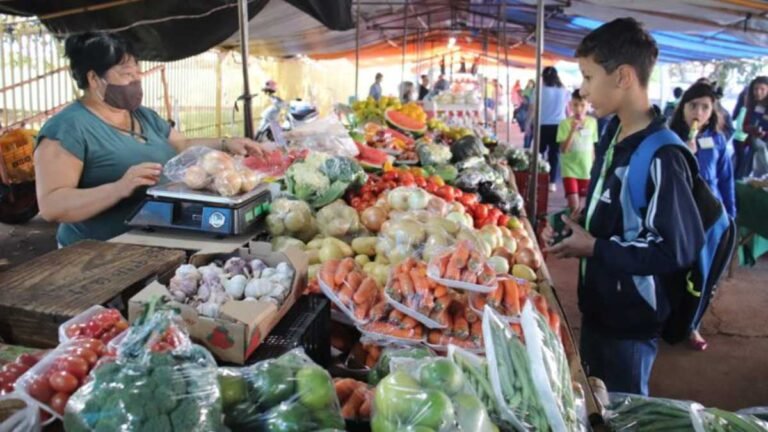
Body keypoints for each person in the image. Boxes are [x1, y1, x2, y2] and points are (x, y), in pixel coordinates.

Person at [545, 17, 705, 396]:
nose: (582, 91)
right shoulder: (615, 132)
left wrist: (595, 247)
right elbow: (611, 206)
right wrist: (575, 224)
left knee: (622, 406)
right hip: (601, 306)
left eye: (588, 77)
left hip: (631, 322)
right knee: (594, 397)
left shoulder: (662, 155)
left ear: (623, 77)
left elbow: (673, 249)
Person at [34, 33, 263, 248]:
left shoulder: (142, 115)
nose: (136, 81)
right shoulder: (67, 128)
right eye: (126, 74)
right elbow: (52, 206)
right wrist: (118, 188)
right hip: (96, 253)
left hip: (153, 243)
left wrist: (226, 143)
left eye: (137, 73)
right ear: (94, 78)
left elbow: (181, 146)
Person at [668, 82, 736, 351]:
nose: (698, 112)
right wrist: (686, 152)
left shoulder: (717, 140)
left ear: (712, 111)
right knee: (674, 271)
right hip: (679, 218)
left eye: (705, 107)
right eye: (693, 105)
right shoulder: (669, 137)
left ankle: (692, 324)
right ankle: (669, 318)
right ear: (682, 108)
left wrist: (730, 215)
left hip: (711, 220)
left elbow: (726, 179)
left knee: (704, 276)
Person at [557, 89, 599, 217]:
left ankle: (572, 230)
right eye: (575, 105)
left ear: (588, 105)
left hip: (586, 170)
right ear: (570, 105)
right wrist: (572, 131)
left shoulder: (592, 123)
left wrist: (595, 166)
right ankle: (568, 232)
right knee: (574, 206)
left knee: (582, 209)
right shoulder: (564, 124)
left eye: (582, 105)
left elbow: (592, 146)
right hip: (569, 169)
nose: (579, 109)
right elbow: (563, 149)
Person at [528, 66, 569, 191]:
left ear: (543, 77)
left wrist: (527, 124)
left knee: (538, 154)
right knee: (554, 155)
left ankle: (537, 179)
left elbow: (532, 110)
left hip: (542, 125)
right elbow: (567, 110)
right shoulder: (563, 90)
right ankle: (552, 182)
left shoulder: (538, 90)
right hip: (559, 125)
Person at [738, 76, 768, 178]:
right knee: (744, 173)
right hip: (753, 145)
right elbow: (744, 126)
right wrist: (752, 130)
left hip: (765, 147)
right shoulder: (751, 105)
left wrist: (765, 134)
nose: (758, 92)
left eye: (762, 89)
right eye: (756, 89)